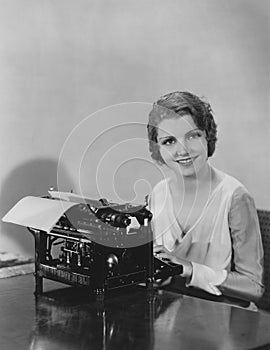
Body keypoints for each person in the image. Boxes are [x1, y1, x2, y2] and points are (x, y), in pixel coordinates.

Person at [147, 91, 264, 303]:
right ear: (158, 149)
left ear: (207, 136)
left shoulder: (234, 196)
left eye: (192, 136)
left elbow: (254, 287)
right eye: (169, 141)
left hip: (223, 318)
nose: (182, 150)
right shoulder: (157, 193)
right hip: (168, 316)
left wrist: (190, 269)